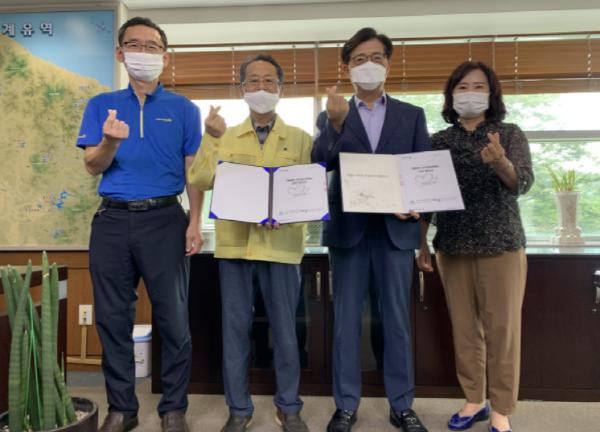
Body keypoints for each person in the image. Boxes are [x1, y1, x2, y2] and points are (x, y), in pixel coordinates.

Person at [76, 17, 203, 432]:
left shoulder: (184, 109)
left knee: (174, 319)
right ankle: (122, 409)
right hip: (112, 220)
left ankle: (173, 408)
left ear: (165, 57)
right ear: (120, 53)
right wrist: (110, 141)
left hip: (166, 219)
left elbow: (193, 172)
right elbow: (93, 166)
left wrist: (194, 222)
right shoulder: (102, 105)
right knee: (112, 319)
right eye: (134, 45)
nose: (143, 53)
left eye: (152, 46)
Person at [311, 27, 430, 432]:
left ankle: (402, 405)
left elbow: (422, 171)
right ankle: (346, 405)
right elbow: (320, 163)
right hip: (350, 230)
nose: (368, 64)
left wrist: (417, 207)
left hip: (396, 231)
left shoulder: (412, 115)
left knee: (397, 320)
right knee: (345, 321)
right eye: (359, 59)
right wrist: (336, 124)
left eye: (376, 57)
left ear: (388, 64)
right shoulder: (331, 113)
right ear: (347, 68)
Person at [188, 53, 312, 432]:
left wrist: (289, 215)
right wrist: (210, 138)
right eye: (253, 81)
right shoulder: (223, 136)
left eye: (269, 81)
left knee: (286, 333)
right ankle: (239, 409)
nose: (262, 87)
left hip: (282, 248)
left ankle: (289, 406)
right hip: (235, 248)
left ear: (281, 89)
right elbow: (200, 179)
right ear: (242, 89)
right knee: (235, 331)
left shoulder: (301, 139)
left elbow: (309, 193)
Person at [417, 61, 533, 432]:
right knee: (465, 330)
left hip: (501, 244)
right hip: (451, 245)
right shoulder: (439, 141)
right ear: (451, 95)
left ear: (491, 93)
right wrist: (421, 244)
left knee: (502, 330)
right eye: (462, 87)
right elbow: (426, 197)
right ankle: (474, 399)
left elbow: (522, 184)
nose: (470, 93)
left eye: (478, 86)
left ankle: (502, 408)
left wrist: (501, 162)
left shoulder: (509, 133)